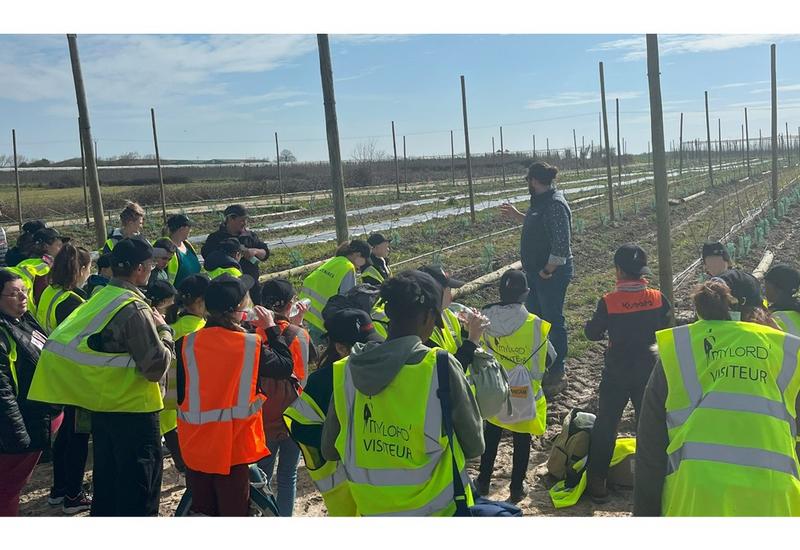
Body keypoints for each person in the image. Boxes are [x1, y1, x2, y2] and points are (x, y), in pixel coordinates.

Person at [29, 237, 175, 516]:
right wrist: (165, 331)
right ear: (140, 269)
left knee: (108, 489)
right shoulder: (134, 308)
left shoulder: (101, 297)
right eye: (150, 265)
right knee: (137, 494)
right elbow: (155, 366)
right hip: (135, 411)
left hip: (103, 409)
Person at [321, 270, 485, 516]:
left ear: (387, 313)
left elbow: (329, 450)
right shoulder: (439, 366)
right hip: (436, 512)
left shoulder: (346, 372)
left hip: (371, 511)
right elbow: (474, 446)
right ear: (429, 317)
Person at [634, 279, 800, 516]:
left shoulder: (681, 351)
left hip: (696, 497)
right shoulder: (786, 352)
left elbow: (650, 448)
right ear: (760, 308)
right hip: (776, 496)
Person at [174, 273, 295, 516]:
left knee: (202, 514)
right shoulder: (250, 345)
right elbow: (285, 366)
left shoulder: (185, 344)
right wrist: (271, 328)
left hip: (196, 449)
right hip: (234, 450)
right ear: (238, 310)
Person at [582, 244, 672, 502]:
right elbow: (666, 323)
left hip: (617, 373)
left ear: (618, 270)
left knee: (607, 424)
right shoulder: (657, 297)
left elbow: (591, 333)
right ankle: (655, 479)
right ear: (642, 271)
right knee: (651, 426)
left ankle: (597, 482)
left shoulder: (608, 302)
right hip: (649, 372)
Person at [284, 308, 384, 516]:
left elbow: (299, 428)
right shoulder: (324, 381)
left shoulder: (322, 380)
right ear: (340, 348)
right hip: (368, 487)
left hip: (346, 487)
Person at [476, 268, 555, 503]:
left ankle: (482, 481)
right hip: (523, 393)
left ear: (500, 291)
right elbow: (551, 356)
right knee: (522, 439)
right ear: (526, 294)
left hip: (495, 389)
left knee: (491, 434)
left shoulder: (484, 319)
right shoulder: (535, 324)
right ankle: (516, 487)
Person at [500, 161, 573, 398]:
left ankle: (558, 367)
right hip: (536, 273)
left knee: (552, 319)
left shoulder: (554, 204)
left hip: (551, 274)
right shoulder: (540, 203)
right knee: (537, 320)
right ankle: (543, 362)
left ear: (534, 181)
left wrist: (547, 270)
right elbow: (537, 226)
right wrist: (517, 216)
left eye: (528, 181)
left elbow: (561, 245)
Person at [34, 243, 93, 514]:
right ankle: (73, 495)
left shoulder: (49, 292)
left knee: (65, 435)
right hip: (75, 377)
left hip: (55, 371)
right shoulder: (73, 302)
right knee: (77, 437)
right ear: (80, 269)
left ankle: (59, 491)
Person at [0, 270, 60, 516]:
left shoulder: (23, 319)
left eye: (24, 290)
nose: (23, 297)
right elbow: (3, 393)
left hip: (38, 417)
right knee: (7, 490)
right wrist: (18, 436)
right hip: (20, 425)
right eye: (14, 294)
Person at [256, 278, 312, 517]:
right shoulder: (300, 335)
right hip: (292, 414)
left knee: (262, 477)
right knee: (288, 475)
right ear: (290, 305)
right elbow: (304, 373)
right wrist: (297, 324)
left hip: (263, 414)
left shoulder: (251, 335)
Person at [161, 273, 210, 474]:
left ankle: (183, 468)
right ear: (199, 301)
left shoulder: (174, 325)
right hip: (189, 394)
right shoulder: (198, 328)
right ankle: (184, 469)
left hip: (170, 394)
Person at [299, 239, 371, 343]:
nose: (363, 264)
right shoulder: (348, 267)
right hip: (325, 317)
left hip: (310, 311)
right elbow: (346, 299)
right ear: (358, 255)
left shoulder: (336, 260)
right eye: (364, 259)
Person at [420, 264, 488, 372]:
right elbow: (449, 372)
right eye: (449, 289)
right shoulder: (420, 331)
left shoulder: (447, 314)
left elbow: (456, 347)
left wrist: (468, 330)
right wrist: (473, 339)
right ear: (437, 292)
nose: (452, 293)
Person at [201, 204, 270, 302]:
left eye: (246, 220)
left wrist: (255, 251)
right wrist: (228, 256)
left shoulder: (249, 236)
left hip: (252, 288)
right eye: (241, 220)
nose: (244, 223)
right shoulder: (215, 238)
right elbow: (207, 257)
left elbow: (265, 253)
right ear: (230, 219)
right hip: (226, 291)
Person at [11, 228, 67, 316]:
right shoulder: (45, 269)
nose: (62, 249)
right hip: (31, 317)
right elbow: (43, 300)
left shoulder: (24, 263)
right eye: (59, 245)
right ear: (45, 246)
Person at [164, 214, 201, 286]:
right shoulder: (165, 248)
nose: (191, 230)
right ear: (182, 228)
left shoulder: (187, 245)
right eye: (189, 227)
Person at [764, 264, 800, 335]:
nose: (765, 291)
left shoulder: (776, 318)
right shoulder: (796, 310)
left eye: (767, 287)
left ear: (778, 290)